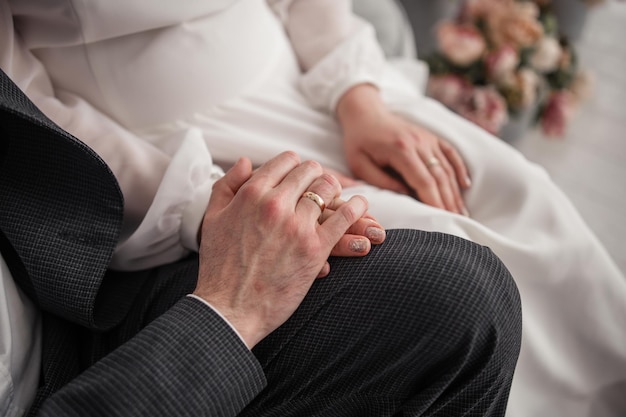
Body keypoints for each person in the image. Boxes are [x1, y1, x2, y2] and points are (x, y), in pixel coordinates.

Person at [0, 1, 624, 416]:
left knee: (523, 197)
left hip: (309, 82)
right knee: (443, 236)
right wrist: (203, 199)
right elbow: (26, 107)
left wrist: (358, 100)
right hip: (185, 150)